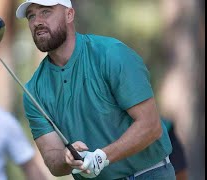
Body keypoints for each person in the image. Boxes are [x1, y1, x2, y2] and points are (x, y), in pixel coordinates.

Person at [15, 0, 176, 179]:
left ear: (69, 14)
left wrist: (102, 157)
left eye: (45, 12)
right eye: (31, 16)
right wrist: (65, 158)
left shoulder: (111, 54)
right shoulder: (34, 90)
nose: (36, 21)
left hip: (147, 174)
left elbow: (151, 126)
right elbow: (53, 162)